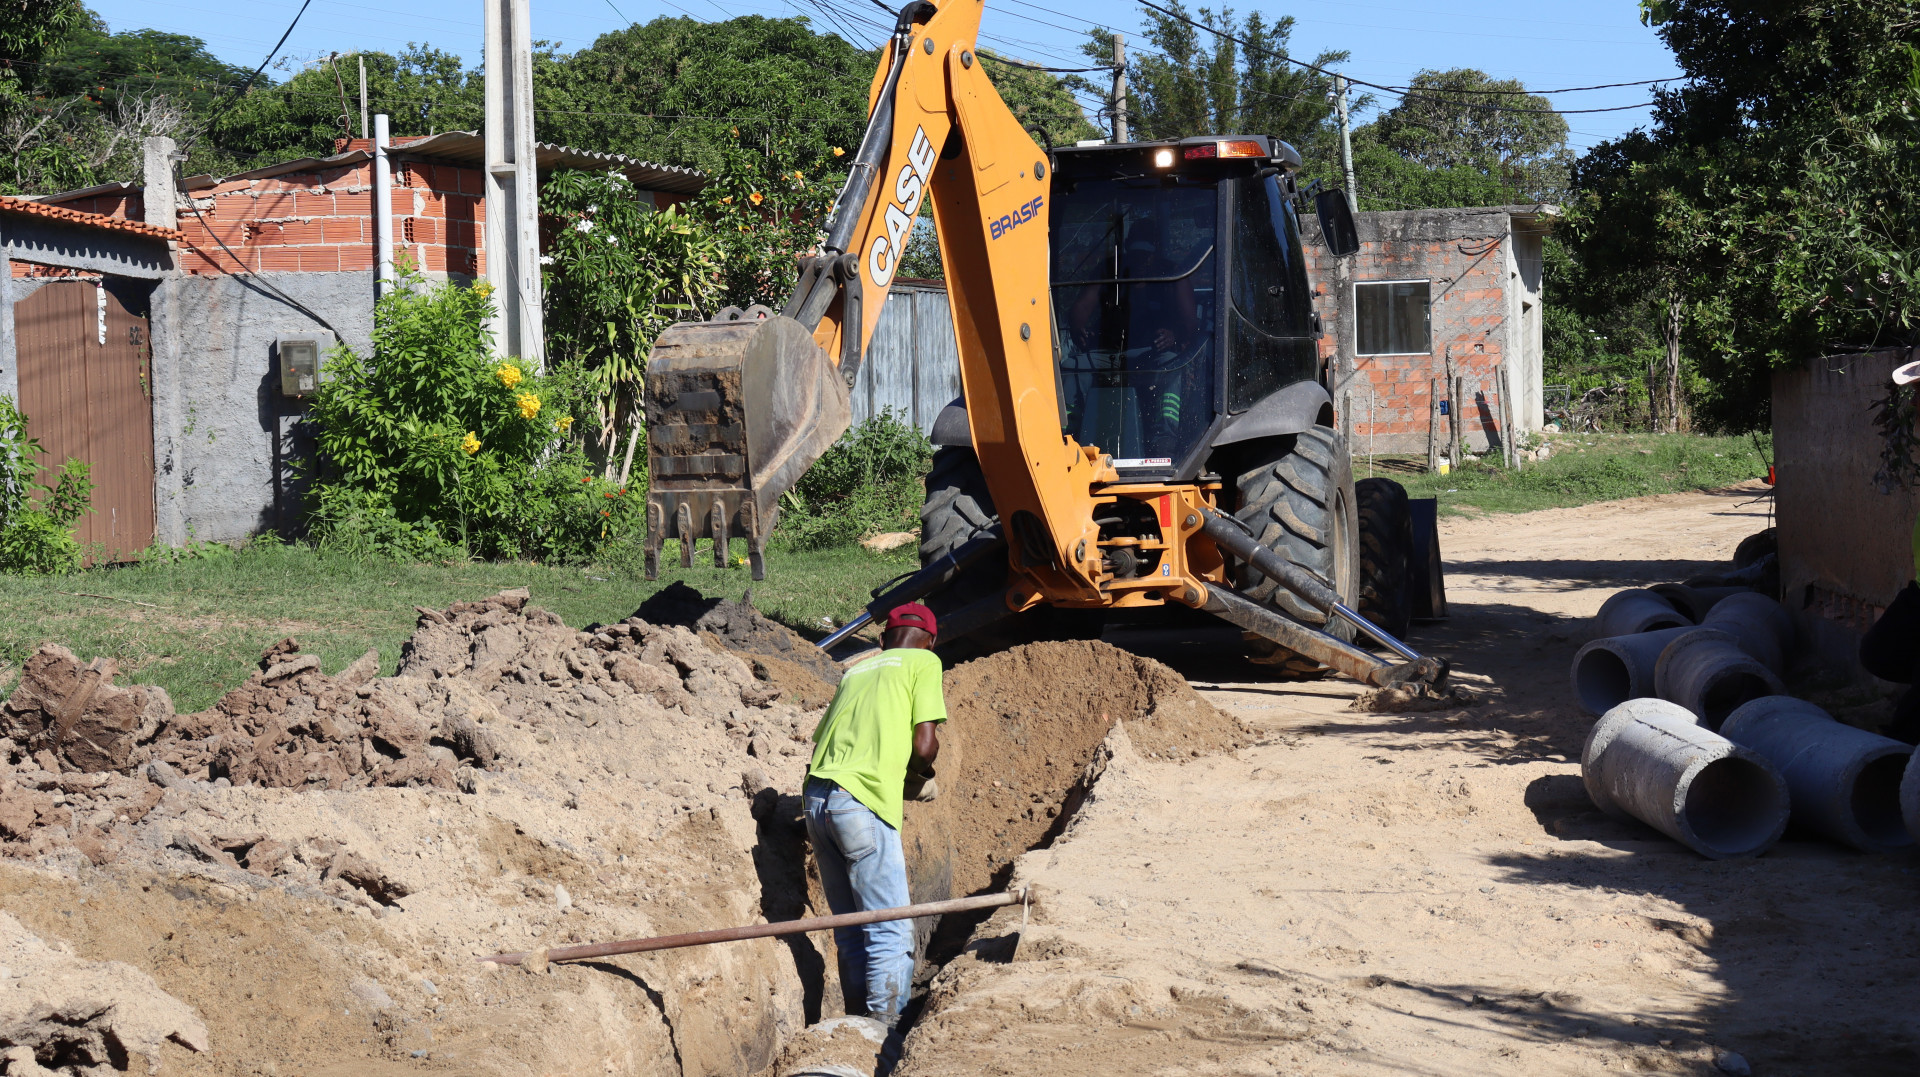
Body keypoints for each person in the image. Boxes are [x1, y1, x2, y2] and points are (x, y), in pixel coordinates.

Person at [803, 602, 946, 1026]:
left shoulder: (855, 671)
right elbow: (924, 746)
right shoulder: (925, 661)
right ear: (932, 640)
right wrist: (916, 776)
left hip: (816, 799)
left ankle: (853, 1029)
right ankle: (884, 1034)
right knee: (889, 930)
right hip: (859, 804)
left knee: (851, 930)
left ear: (882, 640)